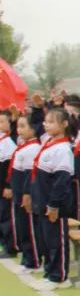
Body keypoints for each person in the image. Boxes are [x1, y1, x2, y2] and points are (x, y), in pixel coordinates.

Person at [30, 108, 75, 291]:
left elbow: (61, 181)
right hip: (42, 200)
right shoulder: (48, 142)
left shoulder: (63, 149)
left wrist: (54, 204)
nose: (46, 125)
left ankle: (60, 276)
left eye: (52, 122)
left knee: (56, 240)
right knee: (47, 240)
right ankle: (50, 272)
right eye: (46, 122)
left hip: (54, 204)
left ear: (64, 124)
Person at [10, 114, 41, 273]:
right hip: (18, 193)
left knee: (29, 228)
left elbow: (30, 176)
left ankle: (34, 260)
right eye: (18, 126)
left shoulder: (33, 148)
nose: (19, 130)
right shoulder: (23, 145)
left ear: (33, 128)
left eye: (23, 126)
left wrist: (26, 194)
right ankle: (27, 257)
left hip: (26, 195)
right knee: (22, 227)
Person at [0, 110, 17, 258]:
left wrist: (8, 186)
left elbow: (10, 168)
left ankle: (10, 247)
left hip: (3, 187)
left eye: (1, 121)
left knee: (6, 217)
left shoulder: (8, 143)